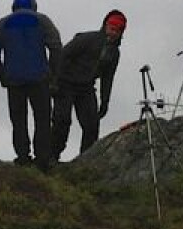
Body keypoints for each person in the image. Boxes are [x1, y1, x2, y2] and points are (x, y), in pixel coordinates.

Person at [0, 0, 62, 170]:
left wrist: (2, 74)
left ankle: (22, 156)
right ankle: (42, 158)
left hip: (14, 80)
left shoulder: (3, 23)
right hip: (39, 79)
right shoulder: (42, 20)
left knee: (18, 119)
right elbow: (56, 47)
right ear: (33, 4)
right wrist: (52, 73)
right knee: (42, 119)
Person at [51, 9, 127, 159]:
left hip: (86, 88)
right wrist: (54, 82)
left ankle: (85, 160)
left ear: (121, 33)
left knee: (92, 125)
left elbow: (108, 78)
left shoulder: (114, 53)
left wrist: (105, 102)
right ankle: (52, 157)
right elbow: (63, 55)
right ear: (105, 26)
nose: (113, 32)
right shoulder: (87, 39)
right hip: (65, 84)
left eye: (117, 30)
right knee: (62, 122)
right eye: (111, 28)